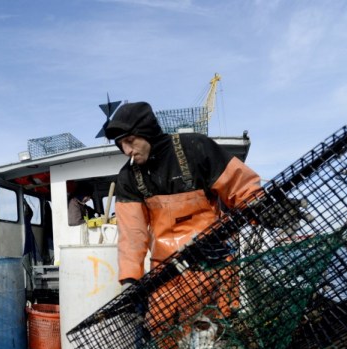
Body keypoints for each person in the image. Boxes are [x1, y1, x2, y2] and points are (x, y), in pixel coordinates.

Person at [105, 102, 263, 287]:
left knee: (219, 316)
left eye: (130, 141)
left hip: (214, 265)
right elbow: (132, 234)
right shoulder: (128, 177)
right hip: (166, 275)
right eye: (120, 144)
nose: (127, 151)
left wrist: (262, 208)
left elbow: (241, 187)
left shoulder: (196, 147)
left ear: (147, 132)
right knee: (160, 315)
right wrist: (130, 279)